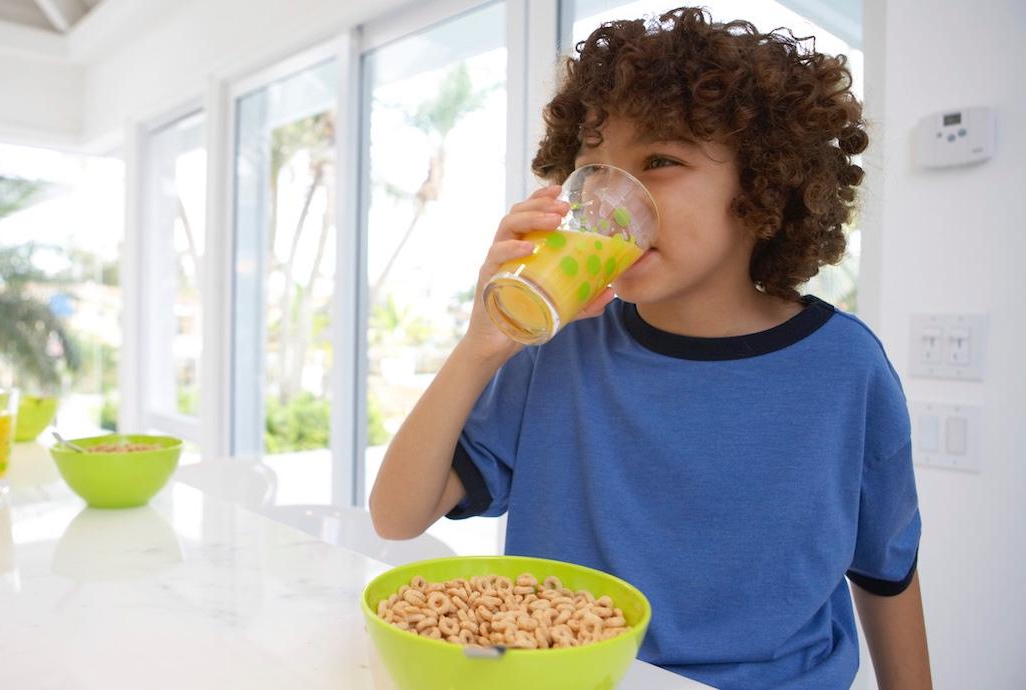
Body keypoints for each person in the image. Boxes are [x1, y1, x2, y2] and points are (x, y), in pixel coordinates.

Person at [369, 7, 931, 689]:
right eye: (591, 169)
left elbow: (887, 569)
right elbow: (396, 517)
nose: (610, 199)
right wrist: (482, 345)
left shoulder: (847, 370)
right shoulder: (558, 351)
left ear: (763, 184)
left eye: (660, 161)